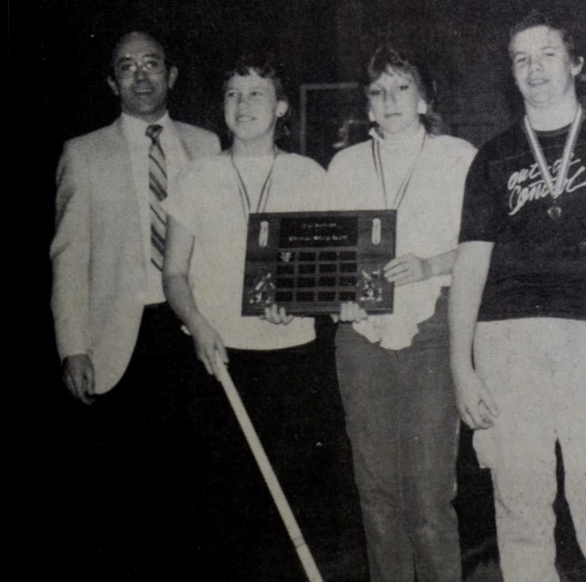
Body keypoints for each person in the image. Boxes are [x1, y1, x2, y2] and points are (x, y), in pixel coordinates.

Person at [449, 10, 586, 582]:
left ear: (576, 63)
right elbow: (470, 265)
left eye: (546, 55)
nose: (533, 69)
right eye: (521, 59)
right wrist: (460, 367)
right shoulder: (492, 155)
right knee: (519, 505)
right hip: (507, 342)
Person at [50, 30, 221, 578]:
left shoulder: (207, 145)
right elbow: (69, 259)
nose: (141, 75)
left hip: (194, 332)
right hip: (120, 341)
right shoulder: (82, 153)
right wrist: (73, 345)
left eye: (152, 64)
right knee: (125, 497)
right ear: (111, 82)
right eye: (127, 67)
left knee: (197, 489)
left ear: (172, 74)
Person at [162, 57, 330, 580]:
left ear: (280, 107)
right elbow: (172, 273)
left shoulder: (308, 174)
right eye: (233, 94)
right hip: (220, 359)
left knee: (292, 505)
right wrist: (199, 326)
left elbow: (329, 275)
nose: (244, 105)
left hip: (293, 359)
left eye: (257, 94)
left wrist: (300, 302)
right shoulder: (196, 175)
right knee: (224, 510)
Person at [321, 45, 476, 582]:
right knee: (378, 494)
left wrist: (429, 264)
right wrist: (331, 292)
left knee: (429, 495)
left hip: (433, 327)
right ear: (366, 106)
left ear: (425, 97)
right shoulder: (343, 164)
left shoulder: (458, 156)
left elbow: (483, 248)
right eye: (378, 92)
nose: (389, 101)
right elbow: (327, 254)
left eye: (402, 88)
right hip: (360, 334)